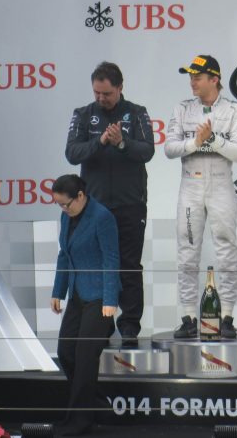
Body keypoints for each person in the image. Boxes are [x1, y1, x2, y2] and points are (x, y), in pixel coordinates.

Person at [65, 62, 154, 347]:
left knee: (128, 266)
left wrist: (122, 143)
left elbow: (148, 150)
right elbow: (72, 153)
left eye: (107, 93)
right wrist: (101, 141)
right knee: (98, 266)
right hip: (94, 208)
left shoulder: (137, 113)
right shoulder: (82, 114)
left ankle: (129, 327)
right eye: (97, 93)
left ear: (120, 88)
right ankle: (100, 327)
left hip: (130, 204)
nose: (101, 98)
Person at [165, 55, 237, 339]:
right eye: (190, 76)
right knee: (187, 252)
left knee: (227, 249)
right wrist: (195, 142)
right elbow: (170, 148)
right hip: (190, 186)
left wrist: (213, 140)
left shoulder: (236, 110)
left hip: (222, 185)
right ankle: (188, 316)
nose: (192, 82)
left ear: (214, 79)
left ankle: (226, 316)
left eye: (197, 77)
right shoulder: (181, 108)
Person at [50, 174, 120, 436]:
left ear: (80, 196)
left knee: (85, 357)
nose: (63, 210)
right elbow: (63, 254)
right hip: (78, 294)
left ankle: (79, 422)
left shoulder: (102, 217)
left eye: (66, 204)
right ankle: (99, 408)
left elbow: (112, 260)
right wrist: (58, 291)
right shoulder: (66, 217)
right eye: (59, 206)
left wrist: (111, 300)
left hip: (100, 297)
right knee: (66, 351)